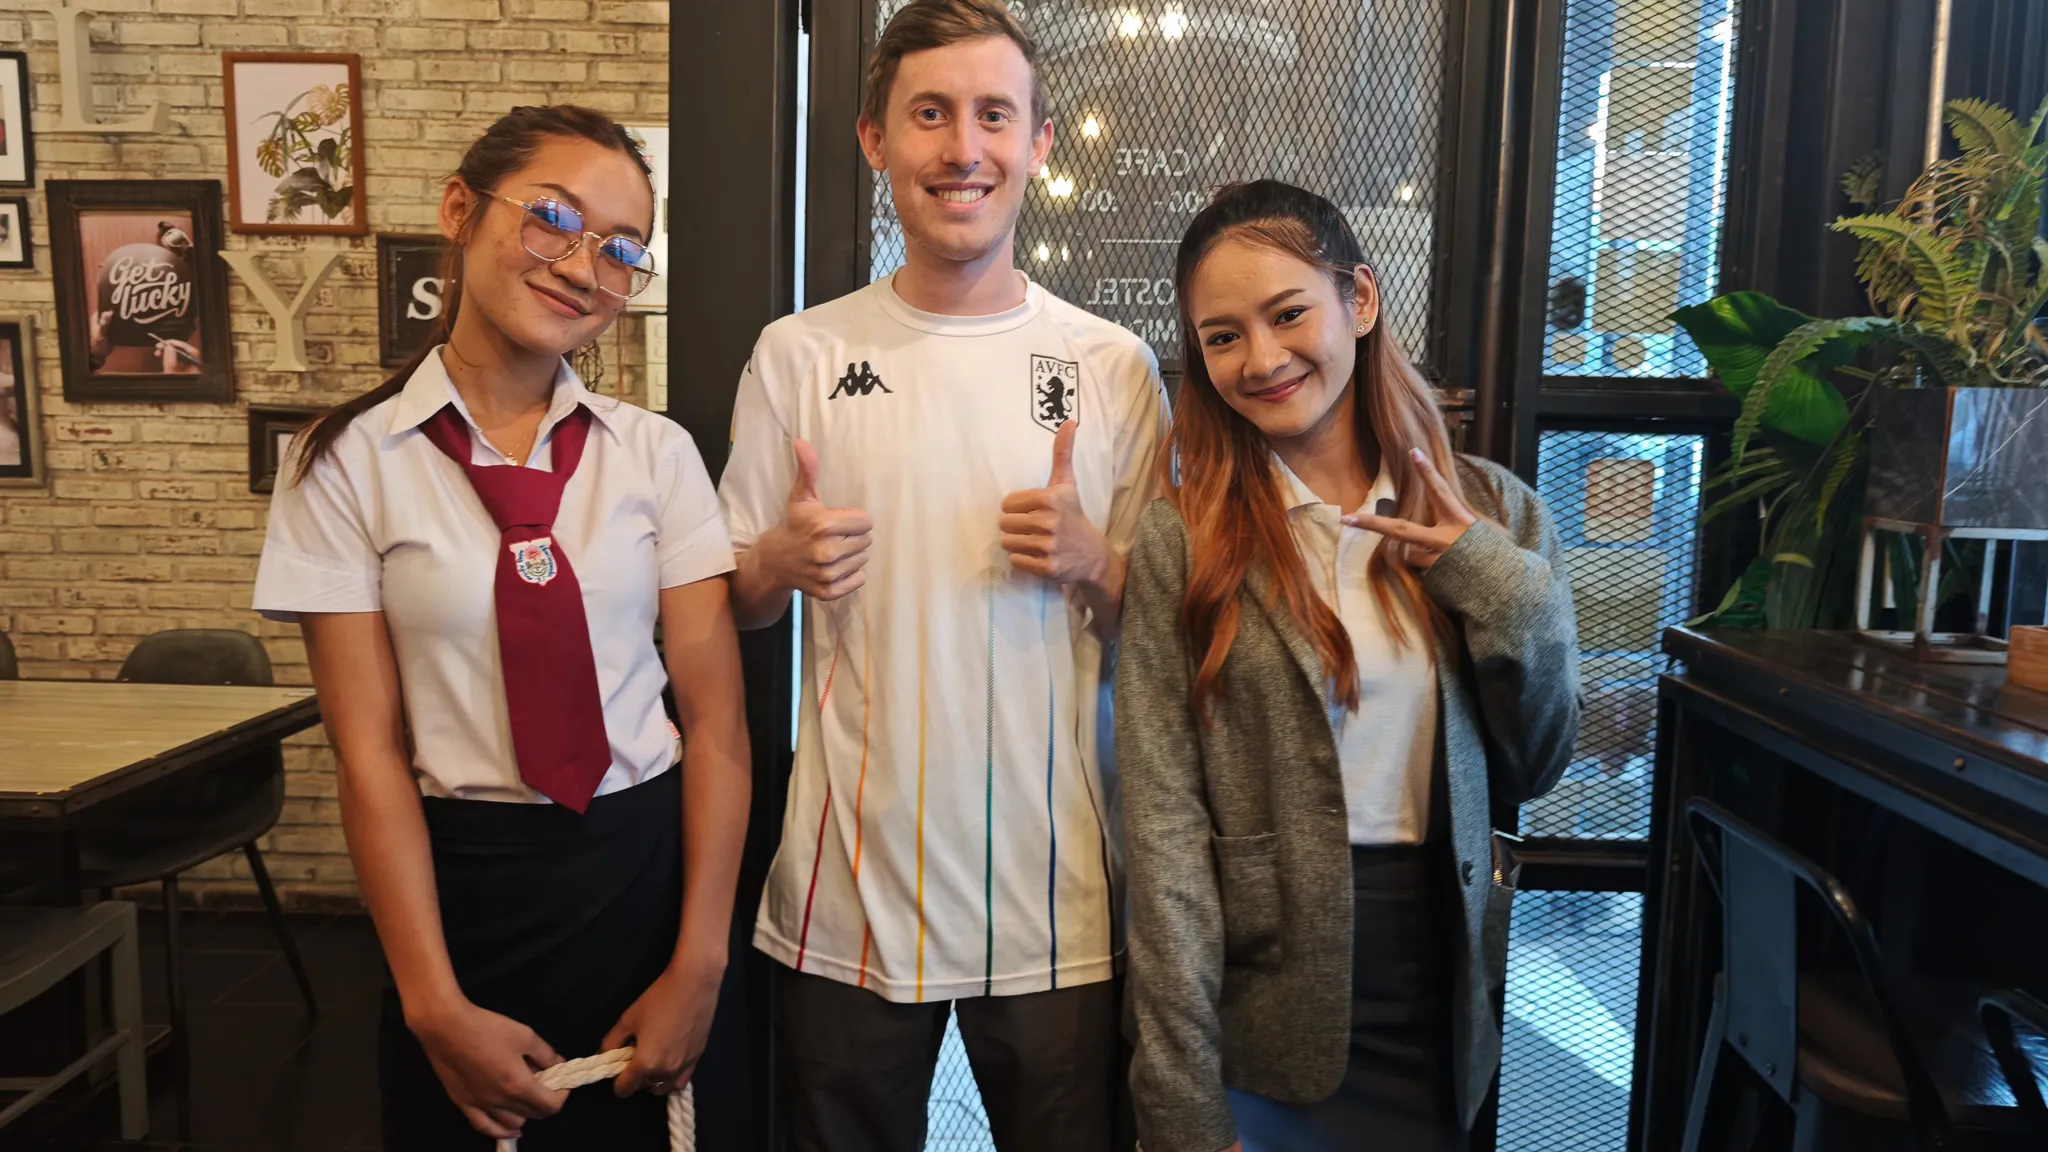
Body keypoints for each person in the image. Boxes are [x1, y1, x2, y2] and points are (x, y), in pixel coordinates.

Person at [717, 2, 1170, 1148]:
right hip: (845, 885)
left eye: (991, 115)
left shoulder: (1111, 367)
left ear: (1037, 143)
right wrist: (775, 559)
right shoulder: (798, 352)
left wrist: (1095, 564)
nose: (961, 148)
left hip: (1056, 890)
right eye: (929, 114)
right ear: (875, 140)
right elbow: (733, 592)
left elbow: (1166, 628)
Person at [252, 105, 750, 1150]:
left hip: (646, 881)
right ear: (459, 210)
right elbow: (370, 757)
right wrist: (430, 1003)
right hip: (462, 895)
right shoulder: (345, 464)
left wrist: (700, 965)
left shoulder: (655, 455)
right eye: (552, 221)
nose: (581, 266)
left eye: (618, 250)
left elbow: (714, 729)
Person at [1116, 180, 1581, 1152]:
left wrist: (1488, 579)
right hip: (1258, 1007)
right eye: (1222, 336)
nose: (1262, 358)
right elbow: (1163, 834)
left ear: (1358, 301)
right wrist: (1179, 1103)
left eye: (1287, 314)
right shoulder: (1185, 538)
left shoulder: (1492, 512)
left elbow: (1533, 764)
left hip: (1434, 989)